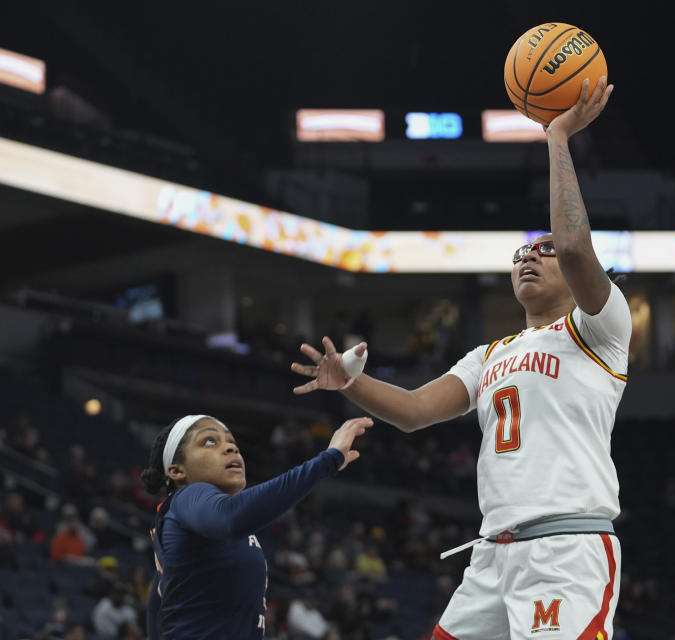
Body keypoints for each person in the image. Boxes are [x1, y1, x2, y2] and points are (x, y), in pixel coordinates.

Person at [293, 76, 625, 640]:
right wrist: (350, 382)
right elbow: (415, 411)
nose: (531, 256)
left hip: (565, 551)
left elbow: (573, 245)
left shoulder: (600, 329)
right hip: (494, 555)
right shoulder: (488, 355)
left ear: (575, 280)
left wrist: (559, 137)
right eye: (522, 252)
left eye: (542, 251)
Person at [139, 413, 371, 639]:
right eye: (209, 441)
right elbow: (232, 518)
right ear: (178, 471)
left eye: (232, 442)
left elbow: (157, 601)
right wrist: (327, 460)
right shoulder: (189, 495)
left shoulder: (198, 521)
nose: (232, 448)